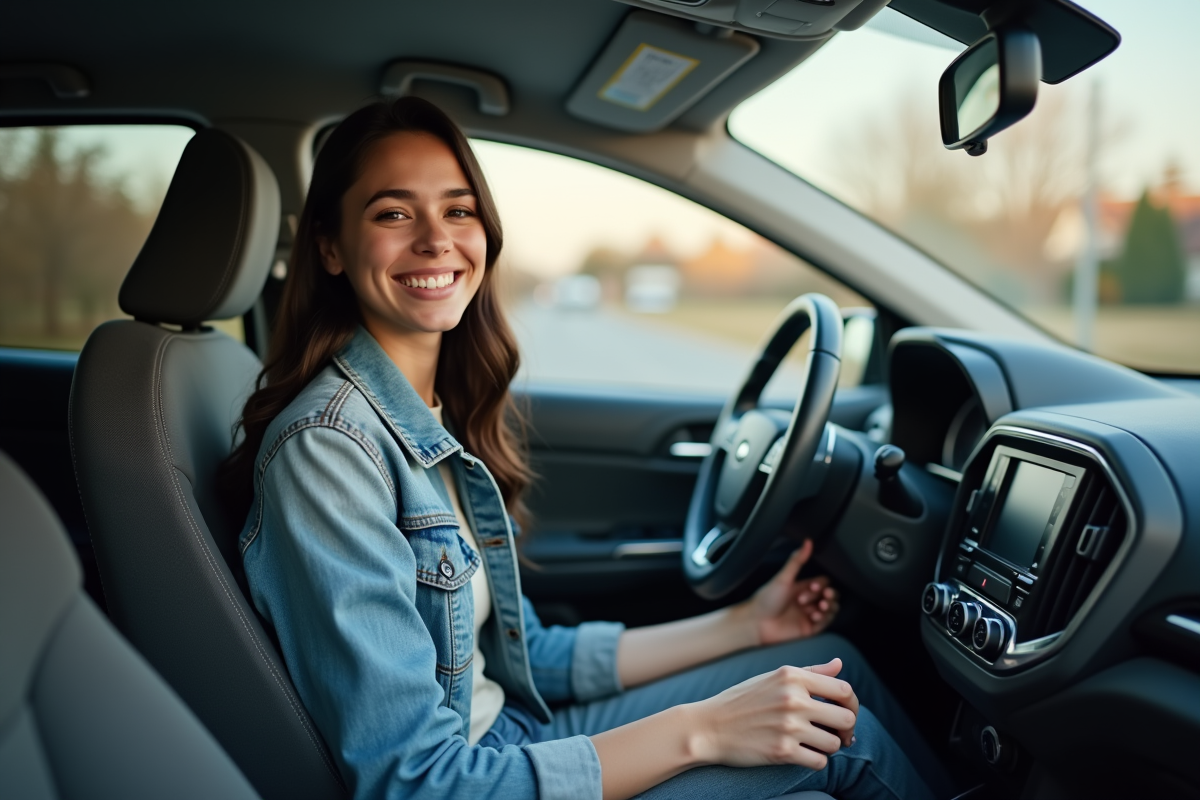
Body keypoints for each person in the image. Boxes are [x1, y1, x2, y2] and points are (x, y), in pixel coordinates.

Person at [223, 96, 952, 800]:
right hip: (477, 775)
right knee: (837, 732)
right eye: (392, 213)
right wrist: (704, 730)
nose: (435, 239)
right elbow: (418, 784)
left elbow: (530, 657)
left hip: (516, 729)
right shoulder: (329, 450)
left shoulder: (424, 419)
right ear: (329, 246)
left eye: (458, 209)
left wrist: (748, 625)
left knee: (832, 679)